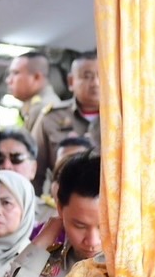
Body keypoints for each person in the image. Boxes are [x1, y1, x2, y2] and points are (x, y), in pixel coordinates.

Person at [31, 53, 102, 191]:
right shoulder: (51, 118)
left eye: (101, 76)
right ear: (71, 81)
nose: (95, 83)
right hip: (63, 197)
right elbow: (35, 170)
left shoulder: (124, 118)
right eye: (87, 76)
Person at [4, 52, 57, 133]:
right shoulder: (34, 105)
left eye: (16, 73)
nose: (8, 80)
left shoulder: (42, 108)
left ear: (36, 77)